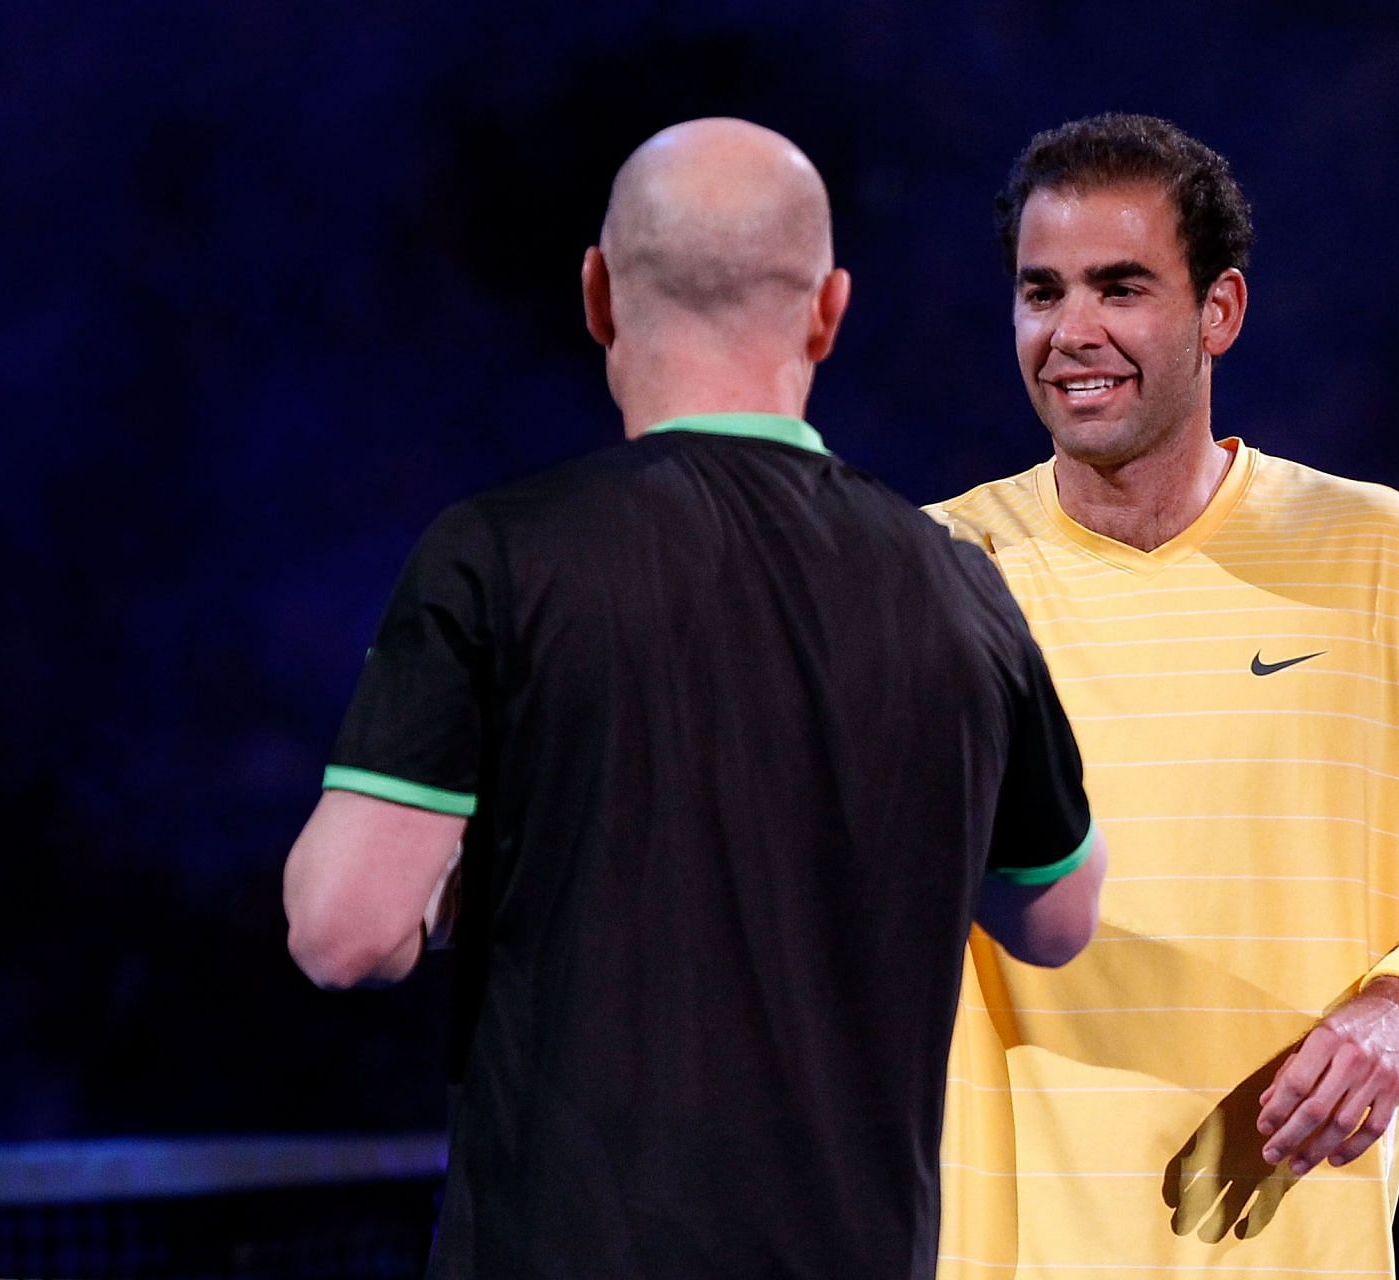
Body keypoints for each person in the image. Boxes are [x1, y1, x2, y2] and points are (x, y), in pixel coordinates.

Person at [281, 117, 1108, 1279]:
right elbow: (1060, 918)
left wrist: (485, 869)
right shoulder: (960, 588)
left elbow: (343, 929)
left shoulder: (498, 556)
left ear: (598, 292)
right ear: (829, 308)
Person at [926, 113, 1399, 1279]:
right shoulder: (931, 572)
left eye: (1121, 287)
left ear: (1219, 310)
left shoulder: (1383, 552)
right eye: (1042, 292)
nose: (1073, 331)